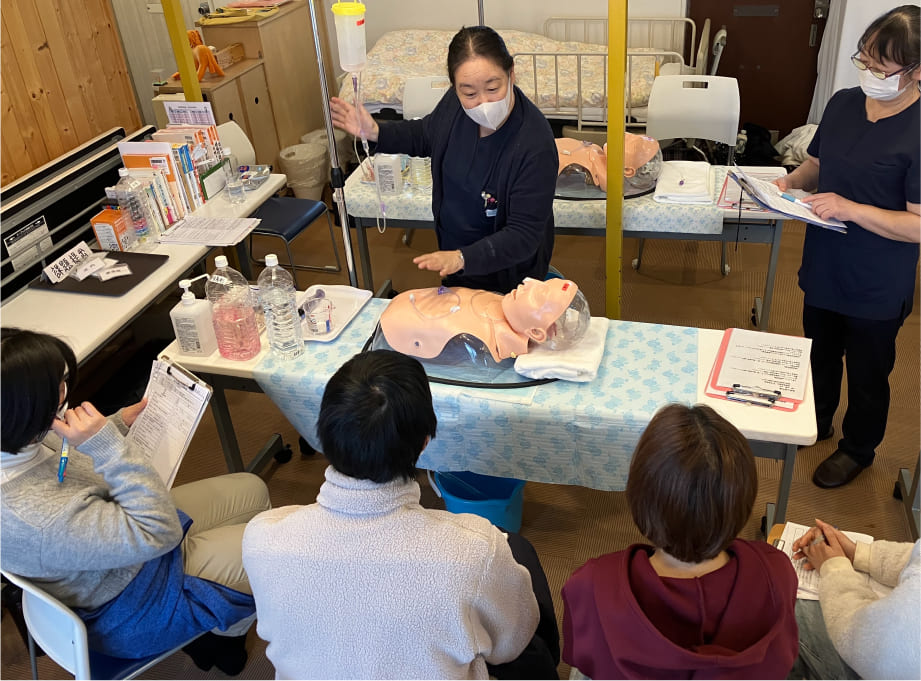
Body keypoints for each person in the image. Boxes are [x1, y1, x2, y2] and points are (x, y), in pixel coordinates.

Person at [242, 350, 559, 679]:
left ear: (323, 432)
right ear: (424, 443)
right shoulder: (475, 549)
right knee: (520, 557)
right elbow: (511, 645)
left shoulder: (261, 536)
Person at [0, 328, 271, 675]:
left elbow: (67, 462)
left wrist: (117, 424)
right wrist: (107, 446)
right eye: (57, 390)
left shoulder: (16, 441)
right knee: (270, 550)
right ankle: (219, 638)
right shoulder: (33, 516)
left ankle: (221, 628)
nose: (66, 395)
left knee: (253, 490)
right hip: (133, 605)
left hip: (117, 562)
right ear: (22, 412)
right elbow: (159, 531)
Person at [774, 5, 920, 489]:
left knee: (868, 369)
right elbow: (817, 164)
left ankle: (857, 447)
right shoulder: (841, 104)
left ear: (916, 71)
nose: (871, 75)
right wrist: (786, 182)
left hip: (877, 276)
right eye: (866, 61)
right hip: (826, 262)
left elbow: (917, 225)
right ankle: (814, 419)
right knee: (818, 351)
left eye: (883, 68)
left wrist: (851, 208)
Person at [561, 403, 799, 679]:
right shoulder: (776, 571)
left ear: (641, 496)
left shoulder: (592, 583)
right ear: (743, 499)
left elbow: (582, 656)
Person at [330, 26, 558, 294]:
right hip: (456, 260)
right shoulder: (454, 106)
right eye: (470, 93)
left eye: (493, 87)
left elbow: (523, 235)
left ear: (511, 74)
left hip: (507, 275)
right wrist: (376, 132)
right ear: (455, 88)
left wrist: (462, 258)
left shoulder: (534, 144)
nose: (483, 102)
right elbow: (427, 134)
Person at [789, 519, 920, 679]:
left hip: (881, 656)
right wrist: (860, 554)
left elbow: (875, 642)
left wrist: (834, 567)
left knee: (788, 600)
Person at [378, 277, 590, 363]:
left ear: (536, 333)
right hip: (402, 313)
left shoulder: (489, 341)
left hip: (403, 322)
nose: (528, 283)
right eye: (539, 283)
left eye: (538, 293)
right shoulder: (497, 302)